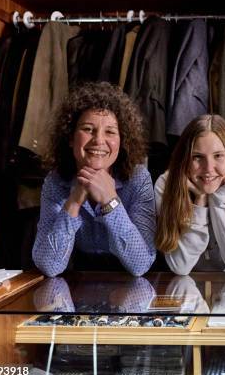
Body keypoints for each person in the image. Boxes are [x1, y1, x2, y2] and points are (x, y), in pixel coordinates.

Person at [32, 82, 156, 277]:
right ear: (71, 137)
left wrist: (110, 201)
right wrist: (74, 200)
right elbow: (49, 265)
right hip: (75, 290)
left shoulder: (138, 179)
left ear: (121, 140)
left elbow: (141, 264)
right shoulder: (55, 182)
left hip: (129, 293)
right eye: (88, 129)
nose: (99, 140)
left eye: (110, 132)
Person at [155, 115, 225, 275]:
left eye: (218, 156)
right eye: (197, 157)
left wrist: (219, 201)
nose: (209, 168)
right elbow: (180, 267)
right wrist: (200, 199)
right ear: (184, 159)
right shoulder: (166, 184)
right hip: (185, 292)